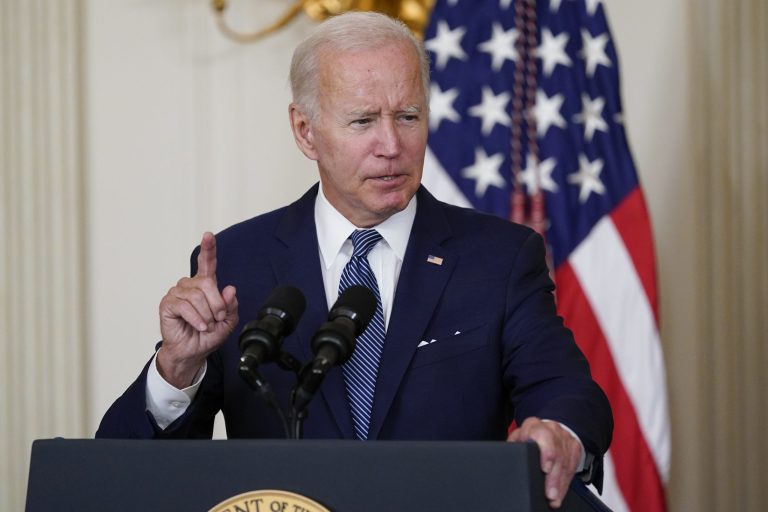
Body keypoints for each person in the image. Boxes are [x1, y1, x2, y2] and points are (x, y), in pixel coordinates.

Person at [97, 11, 612, 509]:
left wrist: (558, 433)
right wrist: (177, 368)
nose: (392, 145)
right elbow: (126, 468)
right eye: (363, 121)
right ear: (305, 131)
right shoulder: (238, 263)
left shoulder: (498, 257)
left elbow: (565, 389)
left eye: (408, 117)